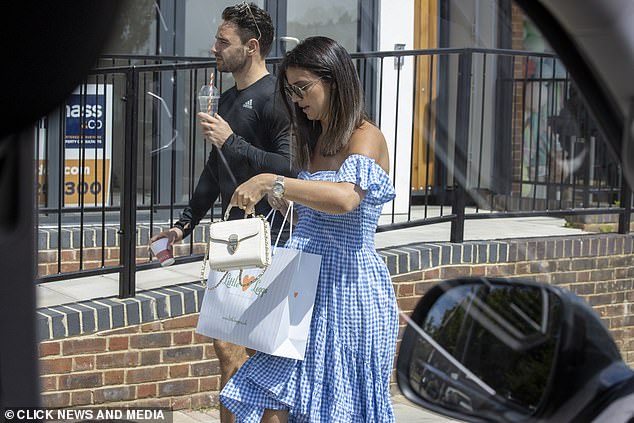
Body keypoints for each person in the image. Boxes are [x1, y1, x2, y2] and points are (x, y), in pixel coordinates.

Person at [220, 36, 399, 422]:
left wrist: (274, 182)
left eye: (303, 88)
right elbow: (322, 212)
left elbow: (346, 199)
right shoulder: (315, 139)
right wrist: (293, 204)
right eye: (291, 91)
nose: (297, 99)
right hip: (303, 282)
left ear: (333, 80)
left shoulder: (366, 137)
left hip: (347, 292)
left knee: (333, 407)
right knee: (275, 400)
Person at [149, 3, 292, 422]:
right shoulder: (228, 98)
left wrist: (231, 141)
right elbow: (215, 172)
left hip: (272, 235)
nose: (213, 48)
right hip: (233, 235)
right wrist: (181, 226)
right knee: (224, 348)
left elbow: (289, 168)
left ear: (251, 47)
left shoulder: (275, 100)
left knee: (263, 353)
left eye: (222, 42)